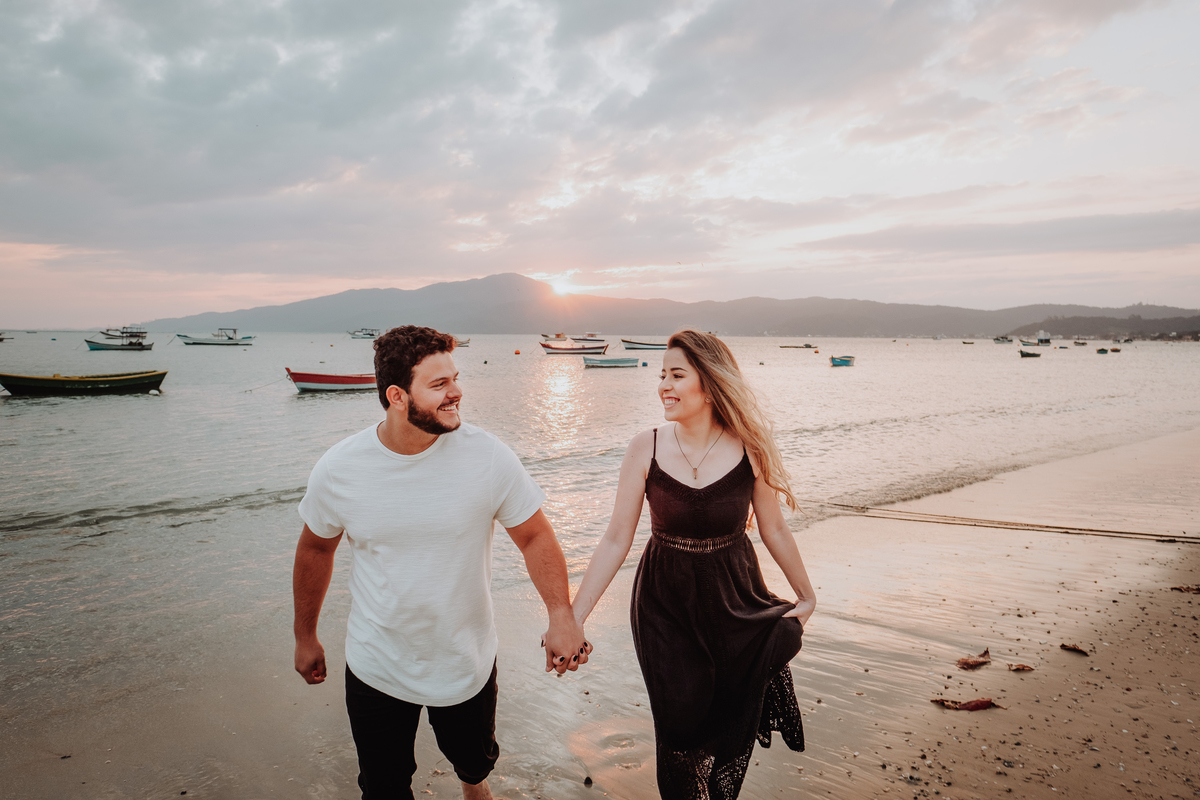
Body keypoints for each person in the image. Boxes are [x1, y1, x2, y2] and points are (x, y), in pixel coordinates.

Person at [292, 325, 590, 800]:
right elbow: (315, 548)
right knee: (384, 788)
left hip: (464, 660)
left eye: (455, 377)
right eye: (439, 385)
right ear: (396, 396)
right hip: (377, 664)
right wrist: (304, 635)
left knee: (473, 765)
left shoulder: (487, 457)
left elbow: (534, 536)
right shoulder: (341, 468)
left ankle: (474, 786)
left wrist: (561, 614)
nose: (457, 392)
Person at [571, 329, 816, 800]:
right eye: (661, 374)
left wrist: (806, 596)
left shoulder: (750, 448)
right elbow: (616, 537)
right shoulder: (646, 446)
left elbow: (775, 530)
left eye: (676, 374)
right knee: (679, 727)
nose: (663, 384)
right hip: (664, 602)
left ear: (709, 383)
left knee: (727, 719)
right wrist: (573, 616)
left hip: (735, 598)